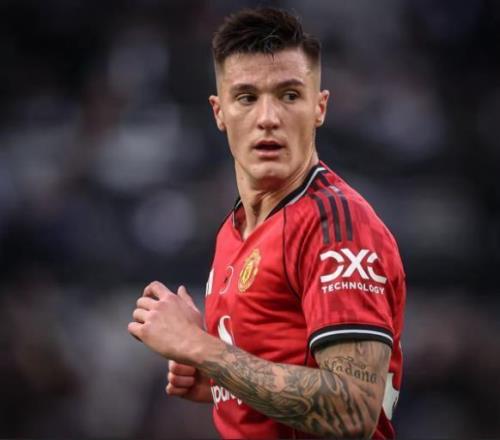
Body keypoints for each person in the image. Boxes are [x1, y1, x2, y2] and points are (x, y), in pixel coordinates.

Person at [128, 7, 406, 439]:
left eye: (289, 95)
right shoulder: (234, 231)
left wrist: (201, 348)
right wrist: (220, 382)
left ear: (319, 107)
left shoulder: (336, 226)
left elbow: (353, 411)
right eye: (246, 97)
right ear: (219, 112)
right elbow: (280, 366)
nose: (268, 118)